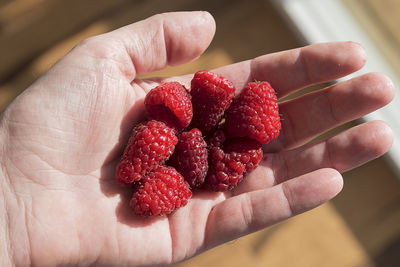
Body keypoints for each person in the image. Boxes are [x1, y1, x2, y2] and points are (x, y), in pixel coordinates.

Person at [0, 11, 395, 266]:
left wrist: (15, 217)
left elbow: (197, 150)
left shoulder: (201, 139)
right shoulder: (178, 134)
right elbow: (181, 142)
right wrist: (13, 201)